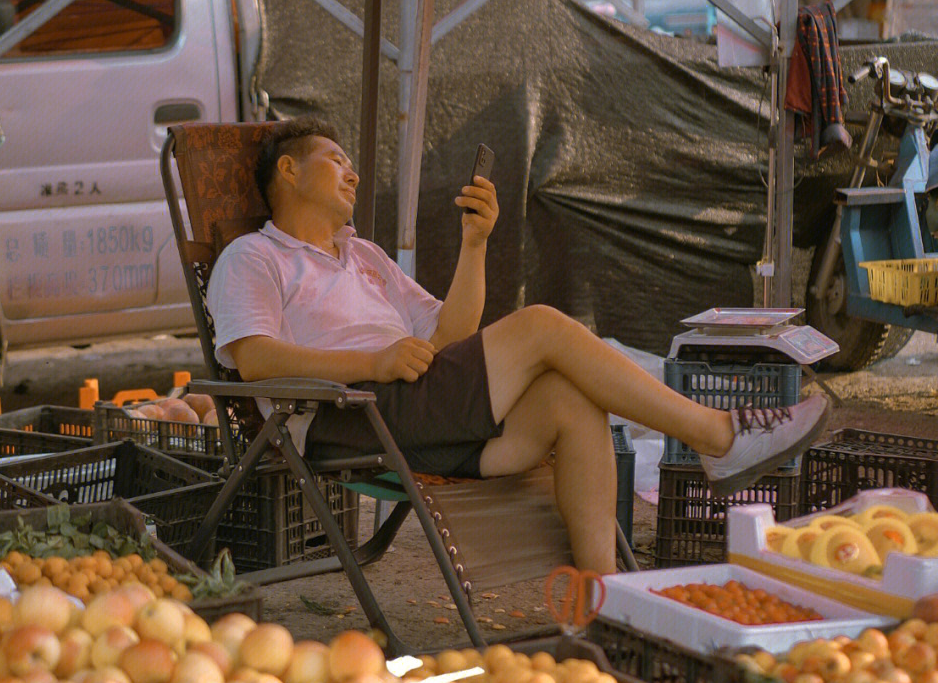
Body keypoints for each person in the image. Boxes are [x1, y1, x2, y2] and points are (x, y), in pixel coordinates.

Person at [207, 118, 829, 574]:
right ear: (288, 170)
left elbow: (452, 335)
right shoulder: (253, 257)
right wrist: (372, 362)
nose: (354, 172)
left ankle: (602, 596)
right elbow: (256, 360)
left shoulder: (361, 255)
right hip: (348, 412)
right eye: (336, 159)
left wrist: (476, 243)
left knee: (568, 398)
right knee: (541, 326)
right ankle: (718, 436)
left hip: (412, 400)